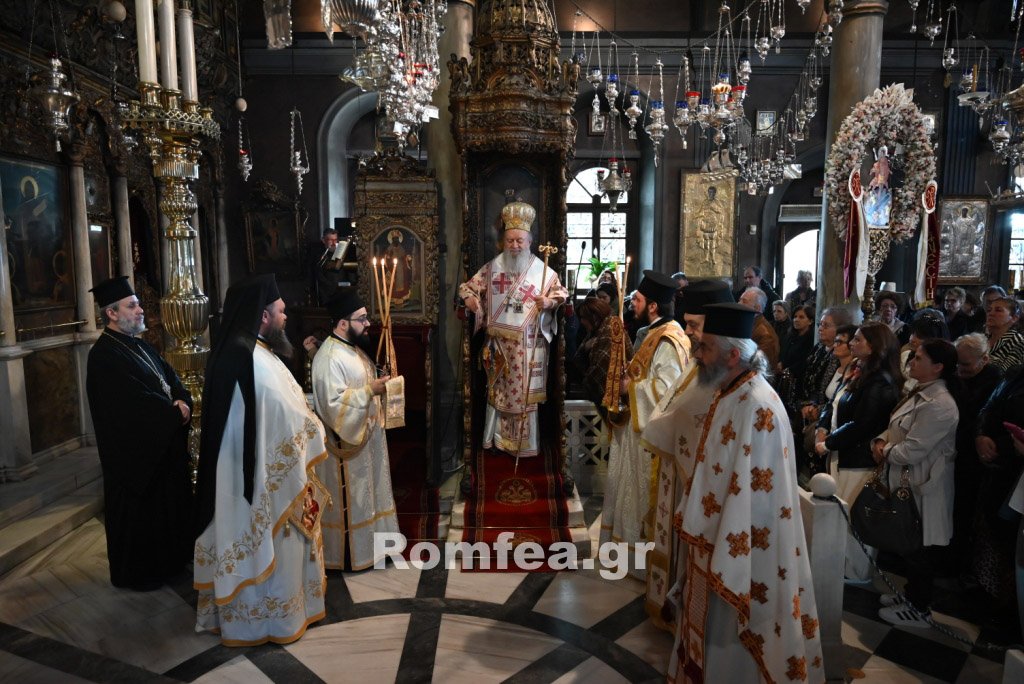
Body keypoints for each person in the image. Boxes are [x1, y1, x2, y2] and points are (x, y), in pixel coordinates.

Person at [667, 303, 824, 683]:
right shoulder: (729, 391)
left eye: (705, 348)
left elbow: (756, 496)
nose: (697, 354)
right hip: (714, 536)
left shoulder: (757, 405)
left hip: (745, 549)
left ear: (733, 355)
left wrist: (723, 540)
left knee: (731, 643)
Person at [194, 274, 328, 646]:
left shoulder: (255, 352)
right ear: (264, 316)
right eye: (281, 311)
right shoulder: (248, 357)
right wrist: (313, 426)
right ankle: (266, 622)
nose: (286, 317)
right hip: (256, 483)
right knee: (261, 545)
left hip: (248, 474)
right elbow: (281, 418)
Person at [85, 276, 194, 591]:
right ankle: (142, 574)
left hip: (161, 448)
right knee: (141, 518)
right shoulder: (104, 355)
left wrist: (183, 400)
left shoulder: (140, 344)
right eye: (132, 306)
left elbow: (170, 377)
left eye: (138, 305)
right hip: (134, 459)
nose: (141, 310)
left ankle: (172, 562)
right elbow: (130, 406)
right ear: (112, 313)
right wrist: (174, 413)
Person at [639, 278, 731, 631]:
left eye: (694, 325)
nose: (687, 331)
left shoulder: (725, 376)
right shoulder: (700, 365)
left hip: (701, 485)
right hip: (682, 476)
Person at [457, 200, 568, 457]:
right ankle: (498, 441)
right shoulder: (492, 268)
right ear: (503, 242)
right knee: (498, 394)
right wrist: (469, 299)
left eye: (519, 241)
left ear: (530, 241)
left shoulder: (541, 271)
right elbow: (466, 287)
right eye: (510, 241)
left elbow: (561, 292)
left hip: (528, 346)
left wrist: (549, 302)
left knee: (523, 397)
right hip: (499, 346)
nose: (515, 245)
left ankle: (523, 446)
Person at [872, 339, 960, 628]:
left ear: (938, 367)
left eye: (919, 358)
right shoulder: (921, 391)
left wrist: (884, 451)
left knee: (921, 548)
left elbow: (913, 450)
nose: (911, 361)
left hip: (924, 483)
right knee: (911, 545)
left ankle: (919, 609)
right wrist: (882, 441)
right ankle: (911, 597)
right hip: (906, 478)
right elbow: (897, 426)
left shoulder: (940, 404)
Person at [311, 292, 401, 570]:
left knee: (371, 494)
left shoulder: (352, 348)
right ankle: (353, 555)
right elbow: (333, 405)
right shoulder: (329, 357)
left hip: (367, 440)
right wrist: (369, 390)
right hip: (348, 449)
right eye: (361, 319)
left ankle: (375, 548)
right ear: (342, 323)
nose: (367, 324)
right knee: (356, 499)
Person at [602, 271, 689, 558]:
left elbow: (668, 388)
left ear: (653, 306)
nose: (632, 304)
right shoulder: (655, 333)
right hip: (638, 431)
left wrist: (630, 387)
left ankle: (640, 559)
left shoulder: (667, 339)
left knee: (641, 497)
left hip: (649, 438)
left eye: (637, 300)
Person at [815, 322, 903, 580]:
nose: (851, 343)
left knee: (854, 517)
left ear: (874, 347)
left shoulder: (879, 382)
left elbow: (862, 424)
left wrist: (828, 443)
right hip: (844, 453)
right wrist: (823, 429)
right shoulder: (859, 371)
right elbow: (834, 403)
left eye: (857, 340)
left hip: (859, 459)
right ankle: (841, 568)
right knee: (842, 515)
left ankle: (856, 573)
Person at [949, 334, 1002, 580]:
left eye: (966, 365)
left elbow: (984, 417)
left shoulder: (995, 381)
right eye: (957, 364)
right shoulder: (954, 375)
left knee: (963, 511)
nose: (960, 370)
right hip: (953, 450)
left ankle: (956, 566)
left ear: (984, 360)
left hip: (971, 457)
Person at [576, 296, 633, 420]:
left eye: (584, 317)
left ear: (595, 316)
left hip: (615, 396)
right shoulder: (597, 331)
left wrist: (586, 381)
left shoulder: (611, 330)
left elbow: (602, 369)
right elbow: (578, 359)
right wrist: (585, 347)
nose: (582, 322)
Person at [738, 286, 781, 367]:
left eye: (744, 301)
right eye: (739, 300)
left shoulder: (766, 335)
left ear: (757, 308)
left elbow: (760, 366)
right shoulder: (747, 324)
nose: (739, 304)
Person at [985, 296, 1024, 372]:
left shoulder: (1019, 343)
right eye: (989, 310)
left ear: (1014, 318)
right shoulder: (983, 338)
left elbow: (1008, 374)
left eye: (998, 310)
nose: (991, 313)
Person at [312, 227, 346, 305]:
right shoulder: (319, 256)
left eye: (335, 240)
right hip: (326, 292)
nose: (334, 243)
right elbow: (319, 276)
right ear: (324, 240)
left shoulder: (340, 253)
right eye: (331, 240)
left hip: (341, 290)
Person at [779, 305, 816, 377]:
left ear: (810, 321)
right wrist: (780, 362)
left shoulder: (811, 340)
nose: (796, 320)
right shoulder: (789, 336)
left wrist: (789, 370)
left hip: (798, 377)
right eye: (795, 317)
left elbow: (805, 361)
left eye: (801, 317)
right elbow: (783, 352)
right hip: (783, 375)